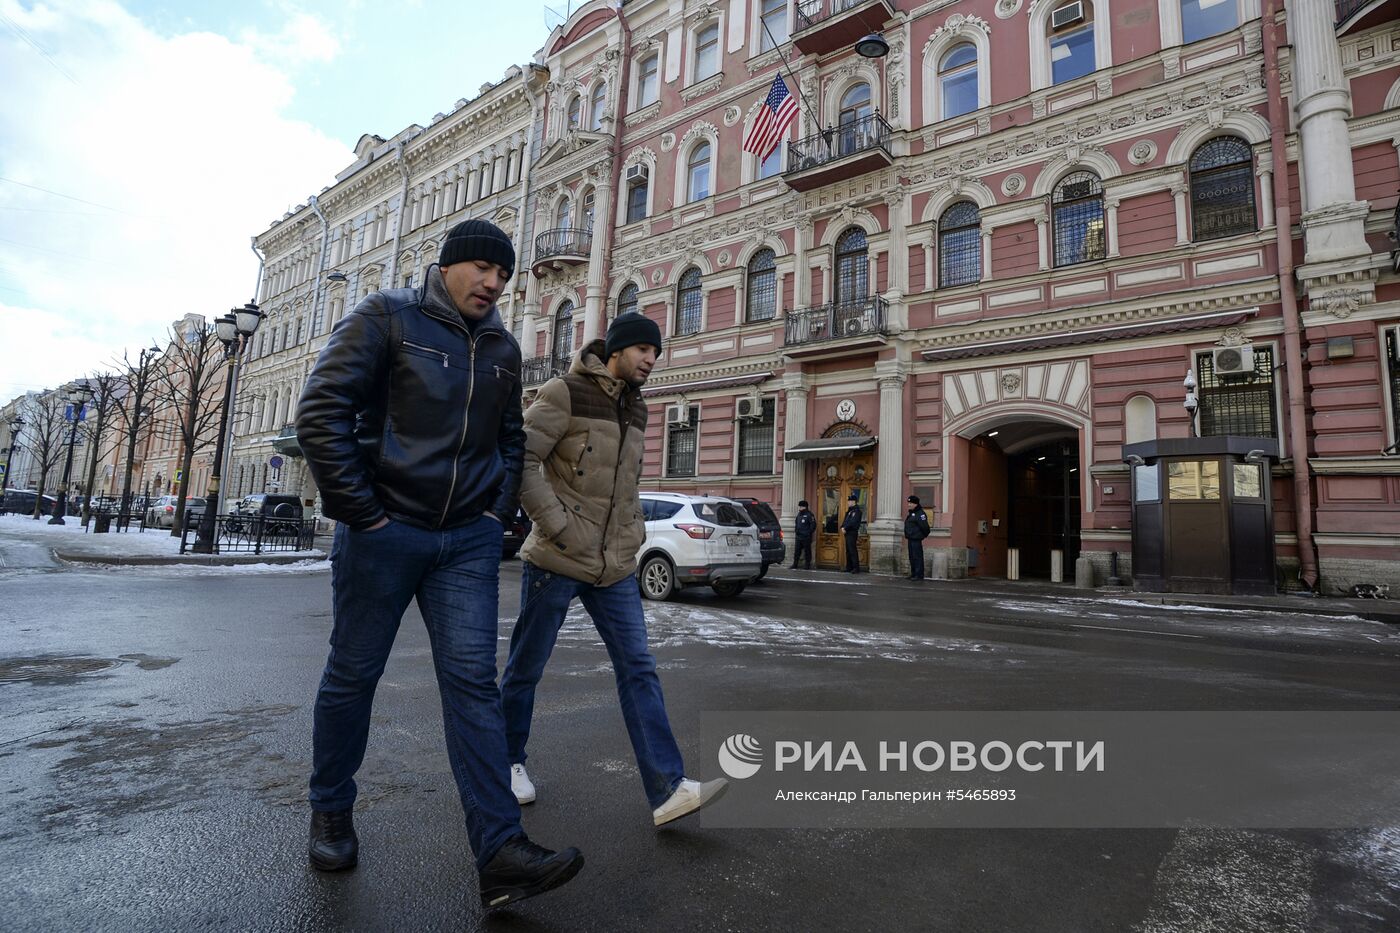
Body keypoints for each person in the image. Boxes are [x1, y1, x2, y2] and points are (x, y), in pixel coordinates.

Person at [296, 218, 583, 910]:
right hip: (383, 532)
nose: (494, 283)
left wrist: (493, 515)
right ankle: (331, 806)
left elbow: (511, 441)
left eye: (504, 275)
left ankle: (500, 851)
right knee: (354, 672)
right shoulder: (386, 317)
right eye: (483, 267)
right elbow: (321, 411)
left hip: (466, 542)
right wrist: (363, 511)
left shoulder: (504, 349)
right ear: (449, 265)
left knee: (472, 688)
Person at [500, 313, 728, 826]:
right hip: (558, 558)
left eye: (657, 353)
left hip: (617, 563)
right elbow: (522, 461)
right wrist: (557, 525)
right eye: (645, 350)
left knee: (638, 667)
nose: (652, 360)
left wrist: (634, 532)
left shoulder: (638, 407)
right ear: (618, 351)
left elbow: (624, 484)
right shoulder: (565, 392)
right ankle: (507, 762)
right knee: (525, 668)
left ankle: (667, 789)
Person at [904, 494, 931, 580]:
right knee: (912, 557)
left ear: (915, 504)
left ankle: (919, 574)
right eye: (909, 503)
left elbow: (925, 527)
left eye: (911, 503)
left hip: (916, 539)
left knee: (917, 557)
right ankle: (914, 573)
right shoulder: (912, 513)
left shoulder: (920, 514)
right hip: (911, 538)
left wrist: (922, 535)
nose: (909, 505)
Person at [791, 499, 816, 570]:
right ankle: (795, 564)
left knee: (807, 551)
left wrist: (808, 533)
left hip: (806, 537)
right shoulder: (799, 514)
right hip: (799, 537)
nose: (799, 508)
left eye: (801, 506)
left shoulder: (809, 515)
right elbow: (796, 523)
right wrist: (796, 530)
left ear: (805, 507)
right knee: (797, 551)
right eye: (799, 506)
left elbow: (813, 525)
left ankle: (807, 565)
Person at [842, 491, 863, 573]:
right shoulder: (850, 511)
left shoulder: (857, 511)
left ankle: (856, 568)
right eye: (848, 501)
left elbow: (853, 522)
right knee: (848, 551)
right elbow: (845, 520)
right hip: (847, 532)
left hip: (852, 533)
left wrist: (845, 528)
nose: (848, 502)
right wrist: (842, 527)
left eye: (849, 501)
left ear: (854, 502)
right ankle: (849, 567)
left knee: (852, 550)